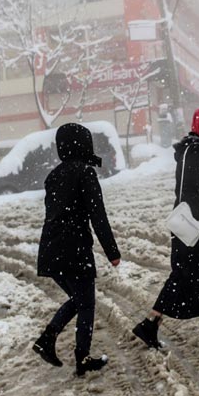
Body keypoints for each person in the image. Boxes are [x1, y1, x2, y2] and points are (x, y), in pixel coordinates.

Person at [132, 108, 199, 348]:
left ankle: (157, 323)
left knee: (195, 272)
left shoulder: (194, 149)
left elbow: (192, 190)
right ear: (198, 126)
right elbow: (196, 190)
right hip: (195, 224)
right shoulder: (196, 150)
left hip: (194, 222)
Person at [32, 123, 121, 376]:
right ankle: (78, 357)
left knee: (80, 300)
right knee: (86, 303)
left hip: (51, 249)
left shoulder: (54, 175)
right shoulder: (85, 172)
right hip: (74, 249)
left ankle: (48, 341)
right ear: (84, 145)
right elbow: (98, 216)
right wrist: (112, 252)